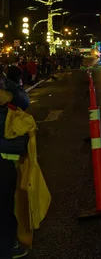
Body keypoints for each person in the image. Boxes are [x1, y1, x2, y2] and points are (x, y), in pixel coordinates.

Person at [0, 66, 31, 258]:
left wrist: (10, 96)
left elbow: (23, 100)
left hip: (3, 156)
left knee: (4, 206)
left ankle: (7, 246)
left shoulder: (3, 81)